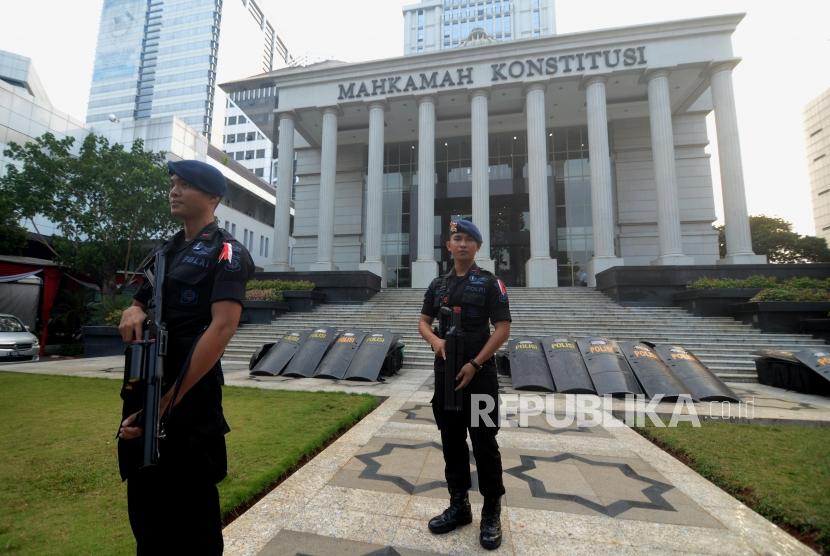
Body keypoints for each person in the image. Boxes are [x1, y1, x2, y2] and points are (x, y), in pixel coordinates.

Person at [117, 159, 254, 555]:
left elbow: (223, 327)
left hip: (189, 400)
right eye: (173, 184)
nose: (174, 190)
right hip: (145, 385)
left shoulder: (227, 250)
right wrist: (134, 310)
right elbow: (138, 302)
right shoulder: (164, 251)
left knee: (193, 524)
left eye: (186, 184)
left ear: (213, 197)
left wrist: (165, 404)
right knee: (146, 514)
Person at [418, 219, 512, 550]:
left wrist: (476, 363)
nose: (462, 244)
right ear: (448, 245)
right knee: (452, 441)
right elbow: (423, 322)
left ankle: (491, 512)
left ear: (477, 248)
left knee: (485, 442)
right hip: (447, 376)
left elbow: (502, 328)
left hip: (480, 376)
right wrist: (434, 341)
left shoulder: (490, 284)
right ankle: (459, 506)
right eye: (457, 238)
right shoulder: (437, 286)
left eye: (469, 240)